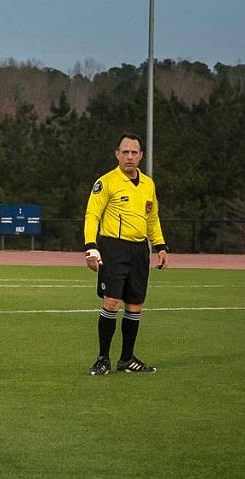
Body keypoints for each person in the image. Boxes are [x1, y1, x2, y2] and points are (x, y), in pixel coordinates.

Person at [84, 132, 169, 375]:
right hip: (113, 247)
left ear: (141, 156)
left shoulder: (148, 184)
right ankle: (102, 359)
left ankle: (127, 358)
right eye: (125, 152)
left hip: (140, 250)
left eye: (134, 152)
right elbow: (92, 215)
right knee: (111, 302)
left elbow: (152, 218)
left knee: (135, 306)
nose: (130, 156)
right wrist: (91, 247)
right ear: (117, 154)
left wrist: (160, 246)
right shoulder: (106, 182)